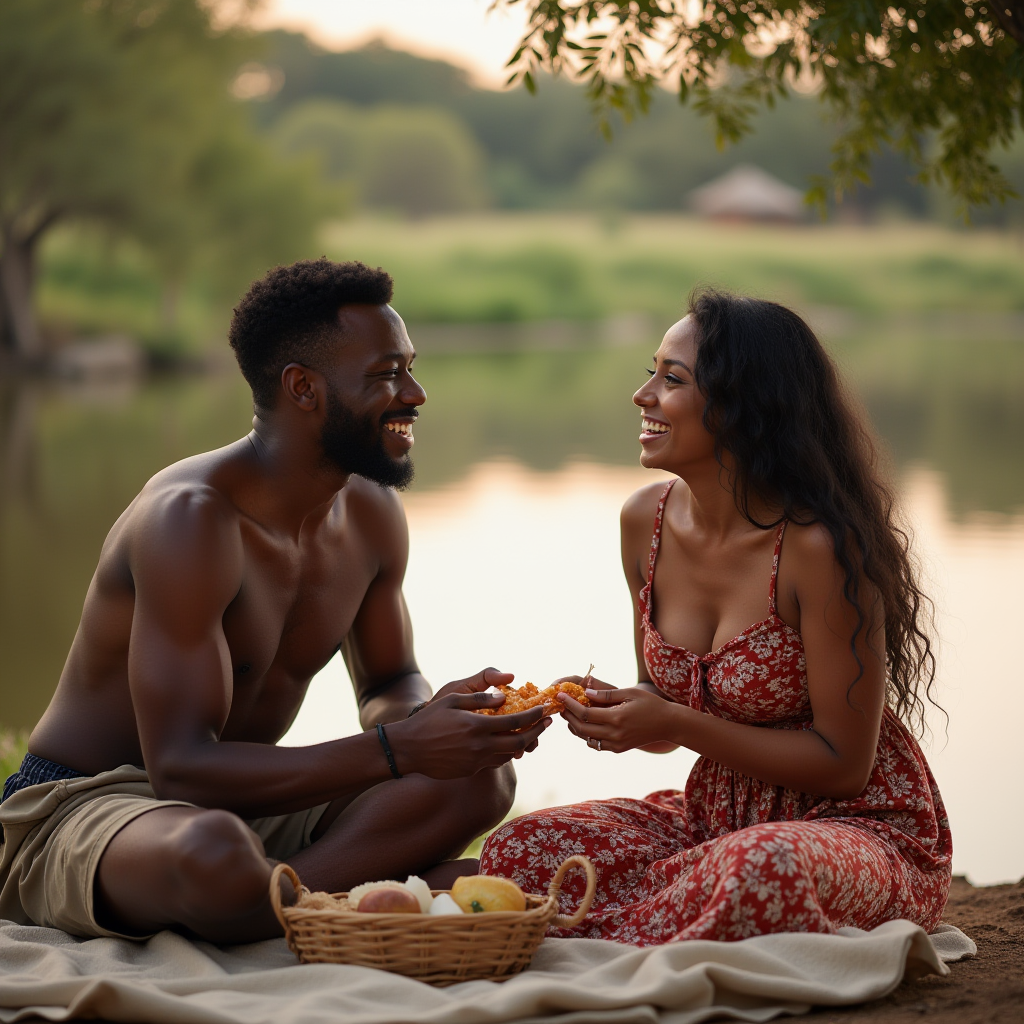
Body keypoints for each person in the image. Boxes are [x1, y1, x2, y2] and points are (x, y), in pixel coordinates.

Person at [0, 258, 550, 944]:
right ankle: (338, 894)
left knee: (479, 781)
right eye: (387, 374)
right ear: (304, 389)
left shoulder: (371, 512)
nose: (416, 393)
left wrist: (434, 723)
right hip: (95, 802)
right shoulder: (190, 521)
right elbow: (179, 768)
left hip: (242, 801)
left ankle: (279, 899)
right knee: (211, 854)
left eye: (409, 367)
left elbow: (388, 679)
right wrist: (398, 748)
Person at [480, 289, 952, 944]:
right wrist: (618, 710)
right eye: (651, 373)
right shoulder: (643, 523)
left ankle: (635, 918)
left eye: (671, 380)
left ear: (742, 406)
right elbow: (662, 704)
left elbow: (844, 762)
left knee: (764, 868)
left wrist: (674, 720)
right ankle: (677, 914)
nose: (642, 396)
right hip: (712, 822)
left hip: (855, 829)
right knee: (521, 847)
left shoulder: (820, 550)